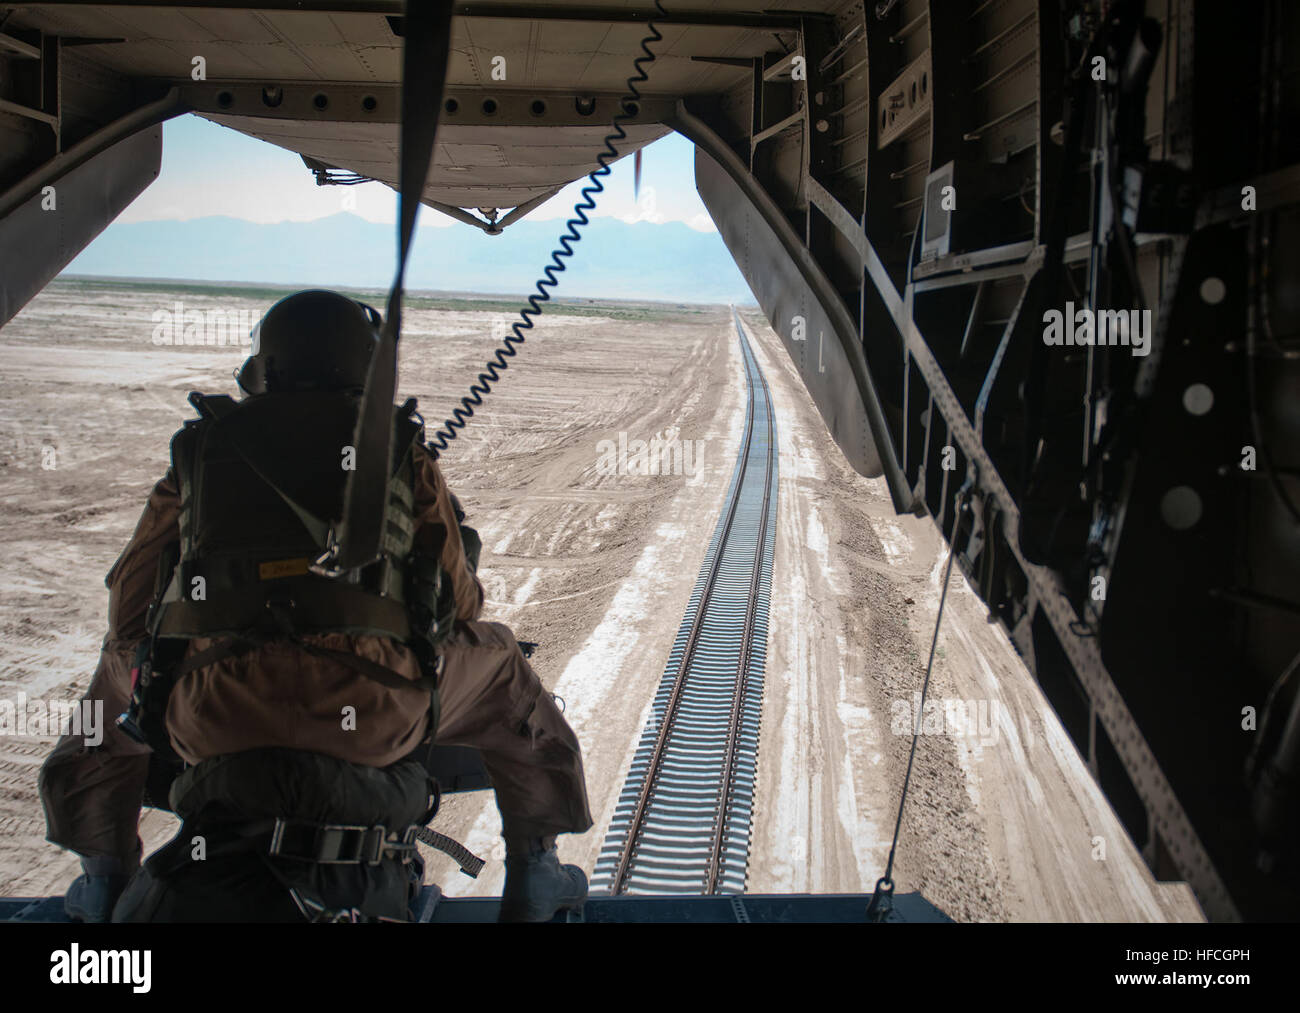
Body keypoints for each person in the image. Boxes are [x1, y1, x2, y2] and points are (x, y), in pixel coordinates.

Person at [38, 289, 593, 922]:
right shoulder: (396, 451)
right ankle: (535, 874)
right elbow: (461, 606)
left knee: (111, 680)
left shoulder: (200, 450)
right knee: (502, 664)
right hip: (376, 714)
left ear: (262, 367)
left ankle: (104, 878)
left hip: (210, 716)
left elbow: (128, 607)